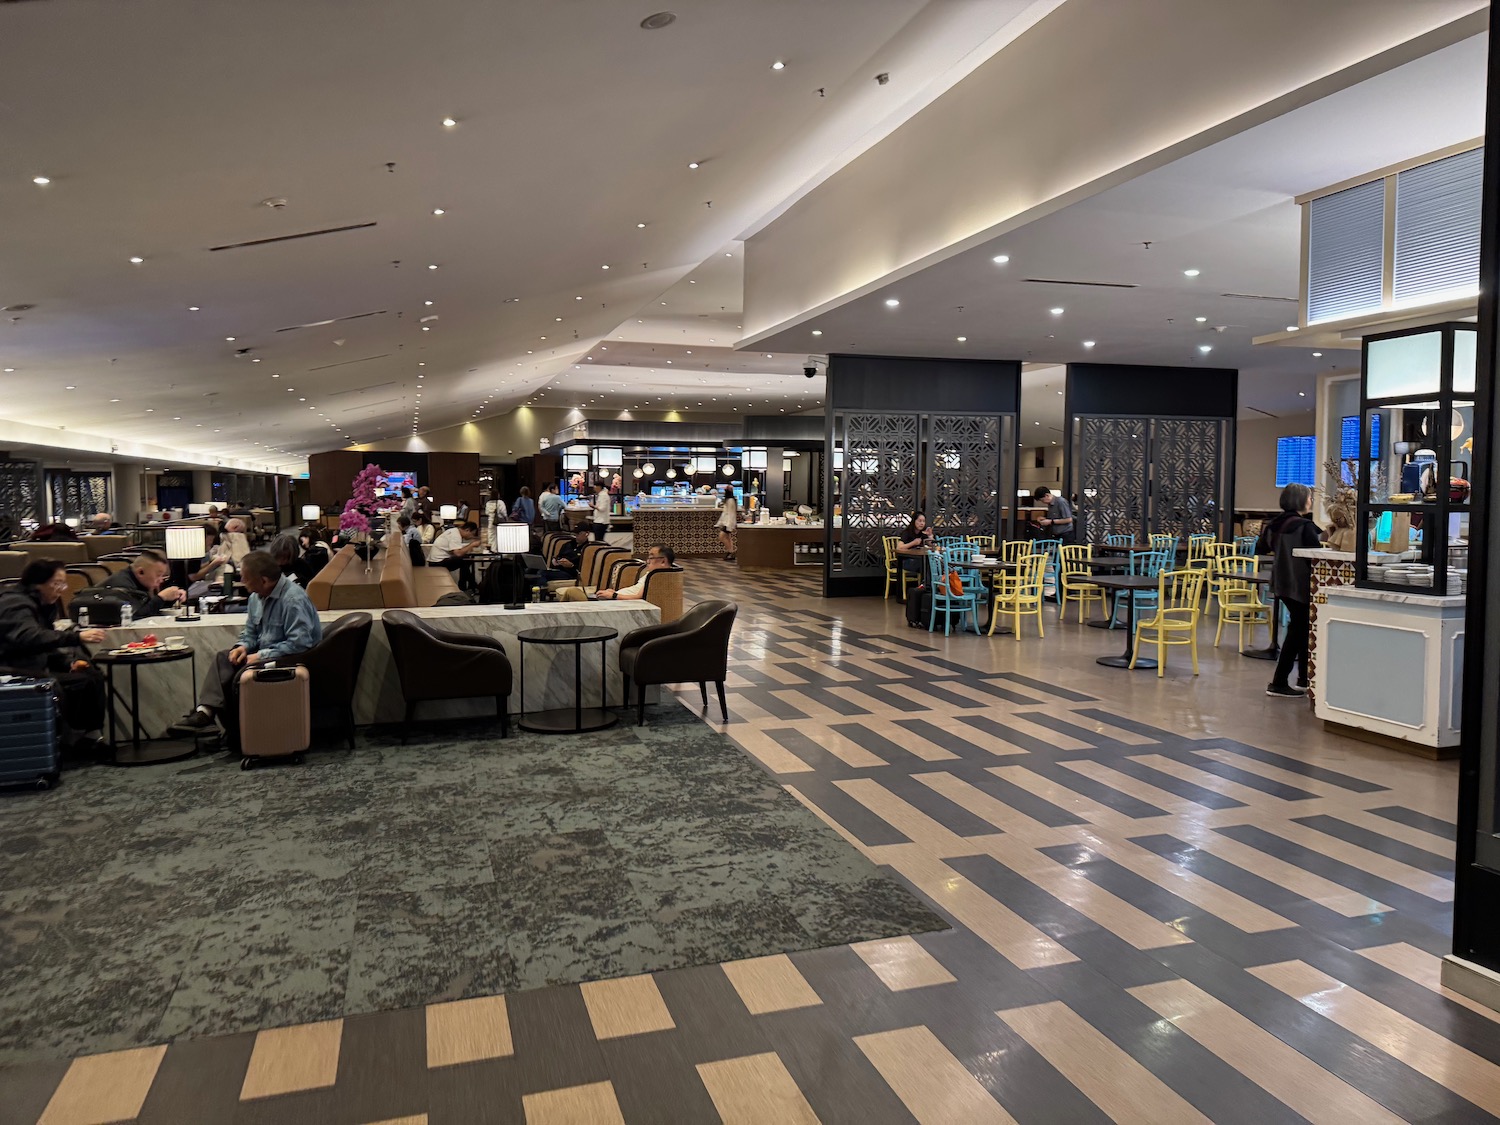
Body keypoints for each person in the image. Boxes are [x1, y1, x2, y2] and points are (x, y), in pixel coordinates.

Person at [168, 550, 323, 736]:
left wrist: (259, 656)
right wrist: (242, 647)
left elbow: (300, 643)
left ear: (264, 580)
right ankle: (205, 713)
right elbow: (250, 632)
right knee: (223, 659)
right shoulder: (255, 598)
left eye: (246, 578)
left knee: (236, 677)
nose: (242, 580)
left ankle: (234, 733)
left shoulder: (293, 600)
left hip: (291, 660)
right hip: (264, 655)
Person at [0, 559, 110, 756]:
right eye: (57, 583)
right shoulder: (14, 603)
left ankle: (88, 737)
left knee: (90, 674)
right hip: (11, 669)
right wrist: (75, 637)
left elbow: (44, 645)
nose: (61, 589)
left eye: (63, 584)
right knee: (82, 681)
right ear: (37, 583)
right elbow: (29, 637)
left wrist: (68, 663)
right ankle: (77, 739)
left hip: (31, 663)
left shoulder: (38, 603)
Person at [1259, 482, 1324, 698]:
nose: (1310, 501)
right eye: (1309, 497)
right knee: (1299, 631)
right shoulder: (1303, 526)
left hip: (1281, 582)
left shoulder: (1275, 524)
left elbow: (1262, 547)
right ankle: (1279, 682)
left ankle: (1303, 679)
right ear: (1300, 500)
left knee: (1301, 628)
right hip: (1301, 583)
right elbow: (1316, 553)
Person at [101, 550, 185, 617]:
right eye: (158, 575)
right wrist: (161, 598)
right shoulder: (122, 586)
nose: (161, 580)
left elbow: (150, 608)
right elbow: (135, 615)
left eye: (163, 576)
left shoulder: (139, 582)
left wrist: (172, 597)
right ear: (140, 572)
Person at [597, 545, 674, 600]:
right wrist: (615, 593)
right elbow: (635, 590)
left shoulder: (657, 576)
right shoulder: (652, 573)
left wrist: (614, 595)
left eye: (651, 558)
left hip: (624, 603)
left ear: (663, 561)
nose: (647, 561)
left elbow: (639, 597)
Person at [430, 519, 481, 590]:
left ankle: (469, 584)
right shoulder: (455, 535)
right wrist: (471, 545)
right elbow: (458, 554)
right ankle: (467, 585)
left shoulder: (454, 531)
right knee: (465, 561)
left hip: (436, 560)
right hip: (437, 562)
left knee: (466, 560)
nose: (471, 537)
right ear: (467, 530)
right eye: (472, 534)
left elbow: (455, 551)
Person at [187, 525, 233, 597]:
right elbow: (193, 577)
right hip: (189, 588)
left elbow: (197, 568)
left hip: (196, 584)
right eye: (210, 540)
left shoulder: (199, 551)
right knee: (218, 589)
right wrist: (213, 564)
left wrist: (212, 561)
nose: (211, 543)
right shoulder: (193, 553)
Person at [716, 486, 738, 562]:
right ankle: (731, 552)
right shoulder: (730, 500)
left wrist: (729, 524)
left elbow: (730, 514)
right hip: (727, 522)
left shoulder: (730, 500)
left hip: (728, 522)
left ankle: (730, 552)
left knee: (721, 537)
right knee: (728, 537)